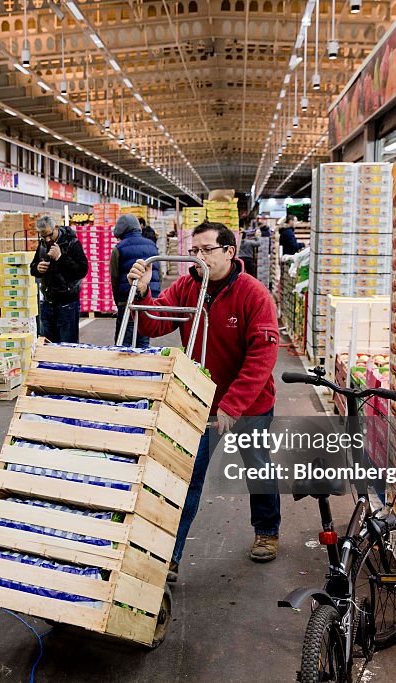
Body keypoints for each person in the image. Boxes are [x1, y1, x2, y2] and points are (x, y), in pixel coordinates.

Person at [128, 221, 281, 581]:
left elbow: (262, 357)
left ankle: (267, 530)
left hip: (249, 403)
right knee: (188, 476)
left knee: (257, 466)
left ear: (229, 251)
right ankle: (171, 557)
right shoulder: (187, 286)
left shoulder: (254, 295)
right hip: (200, 399)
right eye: (193, 250)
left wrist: (233, 404)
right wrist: (143, 290)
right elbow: (153, 324)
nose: (197, 257)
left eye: (206, 250)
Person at [30, 216, 88, 344]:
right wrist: (37, 268)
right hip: (47, 303)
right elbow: (32, 267)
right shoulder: (43, 245)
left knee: (67, 346)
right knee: (48, 345)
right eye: (43, 236)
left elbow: (82, 270)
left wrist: (61, 258)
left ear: (56, 228)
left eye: (49, 235)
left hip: (67, 305)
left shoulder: (72, 243)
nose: (47, 239)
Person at [110, 214, 159, 348]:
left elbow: (114, 278)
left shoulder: (118, 249)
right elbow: (157, 274)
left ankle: (123, 369)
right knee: (143, 342)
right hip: (148, 301)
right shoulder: (152, 245)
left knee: (123, 343)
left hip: (127, 302)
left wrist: (118, 302)